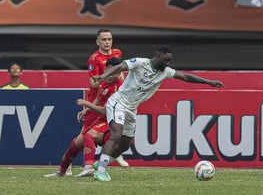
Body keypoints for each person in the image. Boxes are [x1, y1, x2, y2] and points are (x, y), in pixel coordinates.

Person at [92, 46, 224, 181]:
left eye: (170, 61)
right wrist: (102, 76)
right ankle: (101, 171)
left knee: (125, 144)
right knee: (116, 135)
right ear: (157, 56)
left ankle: (102, 162)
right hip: (118, 102)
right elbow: (120, 67)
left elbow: (185, 76)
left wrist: (209, 82)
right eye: (166, 60)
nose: (168, 63)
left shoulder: (165, 72)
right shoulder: (140, 62)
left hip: (132, 108)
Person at [44, 57, 125, 178]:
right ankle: (61, 172)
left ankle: (88, 167)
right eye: (109, 71)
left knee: (88, 135)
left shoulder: (118, 88)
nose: (111, 75)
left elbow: (104, 111)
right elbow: (98, 99)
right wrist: (86, 111)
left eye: (115, 73)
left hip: (112, 123)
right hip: (101, 120)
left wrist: (86, 104)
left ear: (119, 73)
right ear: (106, 69)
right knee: (75, 145)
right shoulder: (103, 81)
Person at [82, 28, 127, 170]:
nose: (107, 42)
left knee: (115, 124)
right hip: (97, 97)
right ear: (97, 42)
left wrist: (120, 79)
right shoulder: (94, 59)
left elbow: (121, 72)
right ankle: (71, 163)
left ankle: (114, 153)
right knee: (84, 134)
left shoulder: (117, 53)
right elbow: (93, 83)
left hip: (113, 95)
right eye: (104, 39)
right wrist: (107, 79)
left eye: (109, 39)